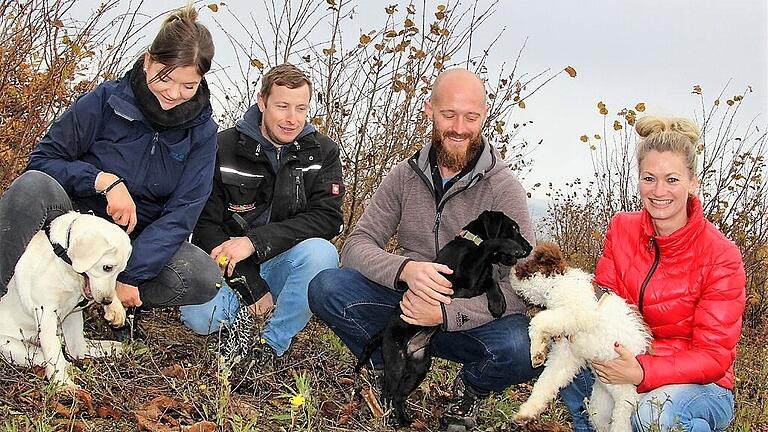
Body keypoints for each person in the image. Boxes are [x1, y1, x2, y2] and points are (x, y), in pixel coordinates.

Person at [308, 68, 540, 430]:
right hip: (406, 304)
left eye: (471, 116)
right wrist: (406, 271)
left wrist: (447, 314)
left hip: (469, 318)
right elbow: (356, 244)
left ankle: (471, 391)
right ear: (429, 110)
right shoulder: (404, 176)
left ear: (484, 115)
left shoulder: (503, 188)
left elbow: (525, 285)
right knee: (327, 287)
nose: (459, 127)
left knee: (525, 348)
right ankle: (390, 366)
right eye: (448, 114)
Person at [0, 5, 221, 334]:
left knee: (203, 276)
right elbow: (44, 162)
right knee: (32, 186)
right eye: (165, 78)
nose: (174, 94)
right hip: (74, 224)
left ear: (201, 80)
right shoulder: (104, 100)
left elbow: (181, 215)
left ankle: (103, 306)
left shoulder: (202, 134)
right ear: (148, 61)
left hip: (135, 242)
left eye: (188, 86)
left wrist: (130, 274)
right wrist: (102, 181)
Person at [560, 116, 746, 432]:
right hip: (626, 358)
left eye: (672, 179)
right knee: (566, 353)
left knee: (653, 416)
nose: (659, 191)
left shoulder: (721, 255)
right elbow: (603, 301)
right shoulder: (622, 228)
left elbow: (714, 356)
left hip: (700, 385)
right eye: (649, 178)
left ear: (693, 182)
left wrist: (642, 372)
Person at [179, 63, 344, 366]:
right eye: (282, 106)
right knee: (199, 318)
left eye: (301, 108)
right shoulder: (222, 147)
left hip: (285, 262)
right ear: (262, 101)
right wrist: (250, 286)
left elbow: (328, 218)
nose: (292, 119)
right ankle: (245, 317)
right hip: (230, 267)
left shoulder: (323, 152)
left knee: (322, 253)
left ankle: (271, 344)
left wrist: (255, 242)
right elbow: (204, 226)